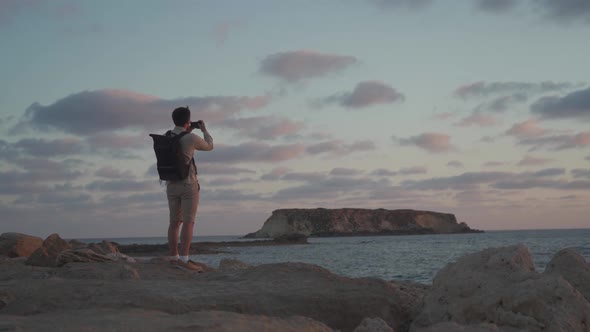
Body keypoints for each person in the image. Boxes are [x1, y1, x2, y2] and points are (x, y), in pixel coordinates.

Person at [166, 106, 213, 270]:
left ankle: (173, 257)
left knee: (173, 222)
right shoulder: (191, 138)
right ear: (187, 121)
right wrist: (204, 130)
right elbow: (209, 145)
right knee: (188, 222)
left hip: (171, 184)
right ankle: (184, 259)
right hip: (188, 184)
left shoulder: (167, 136)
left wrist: (187, 128)